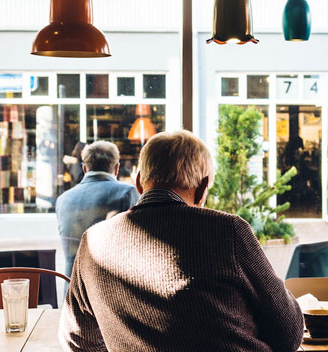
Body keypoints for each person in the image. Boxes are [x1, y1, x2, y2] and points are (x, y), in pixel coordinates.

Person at [59, 130, 304, 352]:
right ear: (202, 188)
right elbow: (289, 335)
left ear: (139, 182)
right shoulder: (228, 231)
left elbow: (78, 340)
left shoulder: (93, 242)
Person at [56, 140, 139, 278]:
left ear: (84, 169)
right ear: (117, 168)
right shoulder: (127, 193)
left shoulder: (63, 199)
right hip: (108, 291)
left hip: (72, 291)